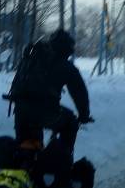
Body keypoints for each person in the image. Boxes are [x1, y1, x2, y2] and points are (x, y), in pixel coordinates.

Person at [9, 29, 93, 159]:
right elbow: (80, 93)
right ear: (67, 50)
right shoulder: (66, 66)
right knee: (70, 121)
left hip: (20, 109)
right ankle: (63, 160)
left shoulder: (33, 57)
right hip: (45, 112)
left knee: (25, 150)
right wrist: (84, 115)